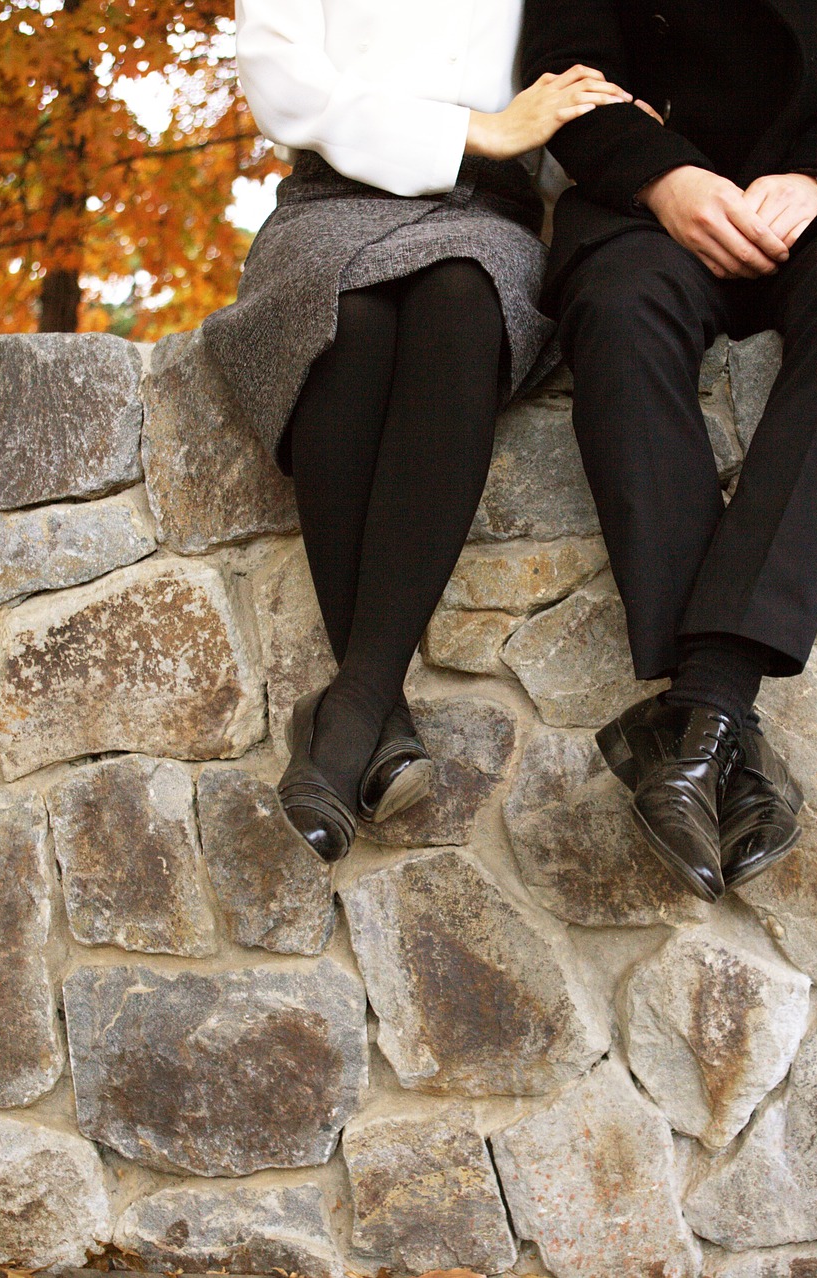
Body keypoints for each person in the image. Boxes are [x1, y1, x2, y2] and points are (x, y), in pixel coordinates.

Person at [522, 0, 817, 901]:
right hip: (644, 198)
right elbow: (566, 53)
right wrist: (664, 177)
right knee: (616, 310)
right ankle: (718, 728)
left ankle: (705, 708)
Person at [202, 0, 632, 863]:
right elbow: (282, 80)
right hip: (329, 205)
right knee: (344, 317)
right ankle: (369, 712)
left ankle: (352, 705)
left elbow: (588, 59)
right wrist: (476, 126)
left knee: (463, 297)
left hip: (488, 216)